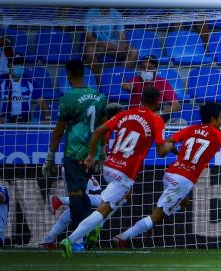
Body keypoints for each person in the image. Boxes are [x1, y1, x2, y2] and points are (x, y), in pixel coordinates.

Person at [114, 103, 221, 247]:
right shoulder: (217, 135)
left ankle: (150, 222)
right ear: (214, 118)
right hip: (183, 180)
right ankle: (123, 237)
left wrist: (174, 149)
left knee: (184, 202)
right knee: (159, 214)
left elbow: (169, 140)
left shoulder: (190, 129)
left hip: (170, 173)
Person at [58, 87, 167, 257]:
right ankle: (71, 240)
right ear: (157, 102)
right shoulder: (156, 120)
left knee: (123, 196)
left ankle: (93, 227)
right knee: (104, 208)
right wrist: (170, 146)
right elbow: (161, 152)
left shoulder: (125, 113)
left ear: (140, 98)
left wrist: (91, 155)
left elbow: (99, 130)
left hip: (109, 166)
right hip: (125, 172)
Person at [42, 60, 107, 239]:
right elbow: (104, 127)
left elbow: (58, 131)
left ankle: (77, 239)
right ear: (84, 74)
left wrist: (50, 156)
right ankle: (90, 227)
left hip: (74, 152)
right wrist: (102, 152)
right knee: (82, 193)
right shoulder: (99, 96)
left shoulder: (68, 98)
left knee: (76, 195)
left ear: (68, 75)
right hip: (91, 155)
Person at [39, 175, 122, 250]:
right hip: (78, 173)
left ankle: (48, 240)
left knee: (69, 214)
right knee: (103, 202)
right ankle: (77, 243)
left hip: (77, 172)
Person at [0, 54, 50, 123]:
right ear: (9, 65)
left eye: (21, 64)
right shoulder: (0, 80)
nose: (19, 66)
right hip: (4, 121)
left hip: (25, 121)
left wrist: (47, 117)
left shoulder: (30, 81)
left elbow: (41, 100)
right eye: (16, 64)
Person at [122, 55, 180, 122]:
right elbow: (129, 86)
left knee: (180, 122)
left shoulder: (162, 82)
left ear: (155, 69)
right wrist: (127, 86)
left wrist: (159, 113)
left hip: (155, 119)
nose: (146, 70)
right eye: (143, 67)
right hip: (135, 118)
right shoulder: (136, 80)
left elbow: (176, 106)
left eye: (150, 67)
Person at [83, 8, 138, 77]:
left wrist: (121, 45)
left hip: (114, 45)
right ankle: (99, 80)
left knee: (134, 52)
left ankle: (122, 77)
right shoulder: (91, 13)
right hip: (98, 45)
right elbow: (89, 37)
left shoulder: (116, 14)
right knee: (89, 52)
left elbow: (122, 37)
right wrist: (105, 44)